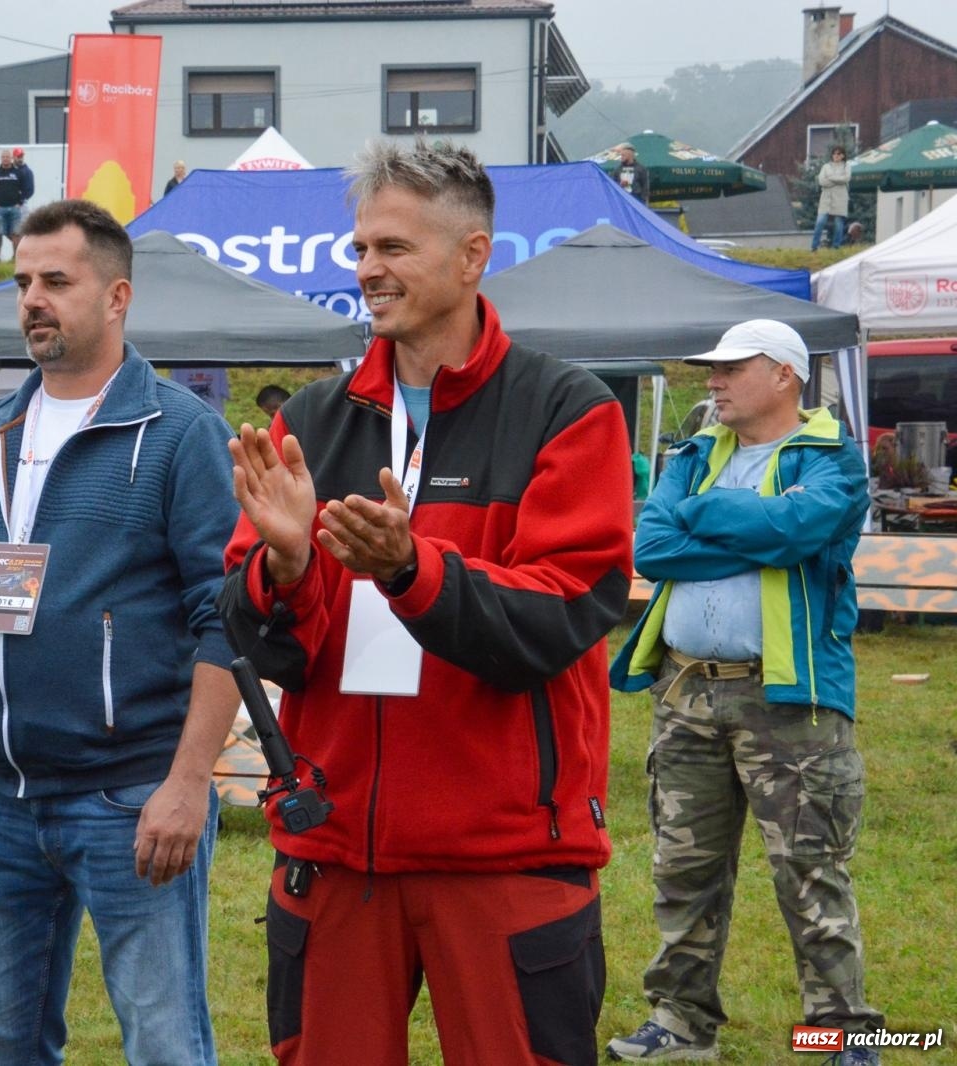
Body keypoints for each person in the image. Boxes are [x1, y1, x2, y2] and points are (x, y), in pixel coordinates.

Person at [220, 139, 634, 1066]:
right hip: (335, 852)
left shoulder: (567, 411)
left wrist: (415, 571)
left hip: (503, 859)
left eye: (394, 248)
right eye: (361, 247)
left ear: (473, 255)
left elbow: (559, 617)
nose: (368, 268)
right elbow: (263, 642)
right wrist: (283, 570)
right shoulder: (312, 422)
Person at [0, 199, 239, 1065]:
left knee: (164, 1042)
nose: (33, 298)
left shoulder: (181, 433)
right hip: (1, 801)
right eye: (24, 281)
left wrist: (188, 781)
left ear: (116, 297)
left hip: (131, 796)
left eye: (56, 281)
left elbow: (225, 614)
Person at [607, 319, 883, 1064]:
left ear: (785, 375)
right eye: (712, 369)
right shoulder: (693, 453)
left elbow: (799, 529)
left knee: (809, 871)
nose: (713, 380)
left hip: (791, 703)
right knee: (683, 869)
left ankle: (842, 1035)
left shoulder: (832, 461)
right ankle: (680, 1024)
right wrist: (751, 529)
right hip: (687, 692)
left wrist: (703, 515)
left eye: (733, 367)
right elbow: (652, 545)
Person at [0, 149, 27, 260]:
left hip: (15, 208)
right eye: (3, 157)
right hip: (0, 208)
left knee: (16, 234)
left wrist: (20, 202)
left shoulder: (18, 173)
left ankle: (16, 257)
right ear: (1, 158)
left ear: (11, 158)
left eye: (7, 157)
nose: (5, 159)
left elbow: (25, 189)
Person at [813, 146, 851, 252]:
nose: (836, 155)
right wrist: (837, 180)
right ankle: (814, 247)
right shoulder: (826, 166)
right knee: (820, 222)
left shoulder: (846, 166)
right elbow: (822, 181)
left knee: (839, 225)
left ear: (843, 155)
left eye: (838, 153)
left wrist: (830, 178)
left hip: (840, 199)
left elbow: (846, 178)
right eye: (834, 153)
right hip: (826, 199)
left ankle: (836, 247)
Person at [12, 147, 35, 214]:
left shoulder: (27, 171)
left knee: (22, 223)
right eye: (18, 156)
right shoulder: (10, 170)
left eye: (21, 156)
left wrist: (21, 200)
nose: (20, 159)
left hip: (21, 205)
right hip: (8, 204)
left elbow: (30, 190)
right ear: (13, 157)